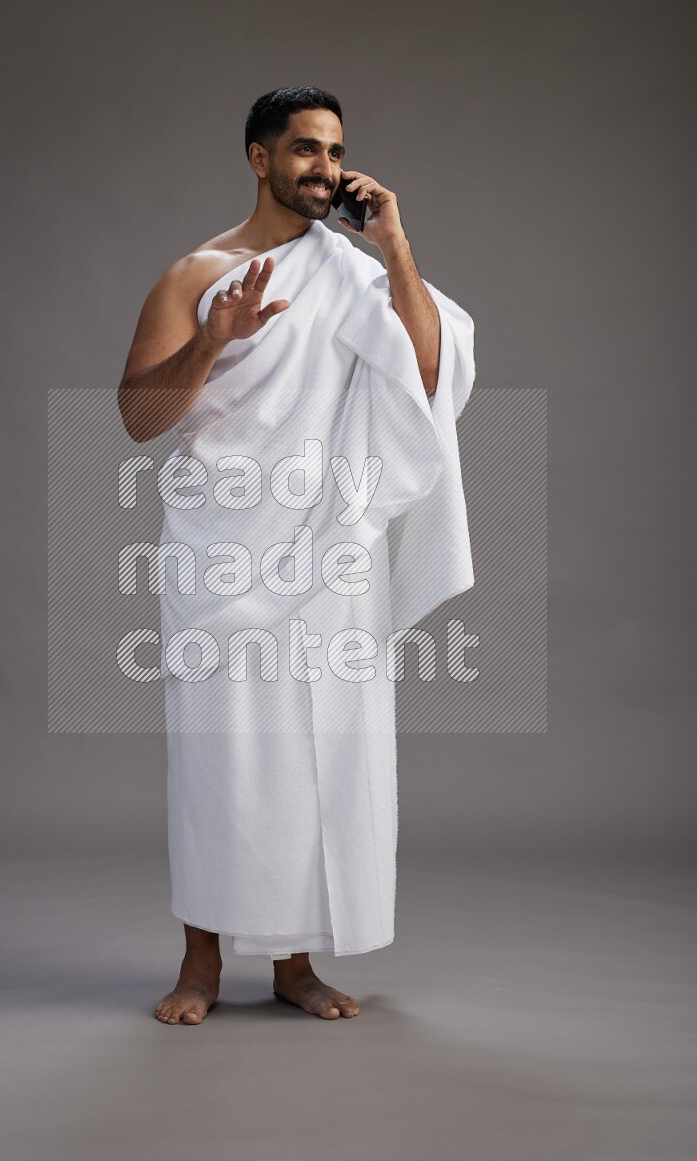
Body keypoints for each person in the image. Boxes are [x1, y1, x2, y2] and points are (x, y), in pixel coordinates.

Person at [117, 86, 474, 1025]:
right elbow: (141, 418)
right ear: (259, 157)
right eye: (307, 148)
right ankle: (200, 962)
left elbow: (428, 376)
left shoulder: (356, 274)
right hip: (221, 553)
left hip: (330, 549)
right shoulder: (197, 274)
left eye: (336, 151)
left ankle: (294, 962)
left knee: (321, 753)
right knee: (219, 757)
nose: (326, 167)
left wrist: (393, 245)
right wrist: (212, 340)